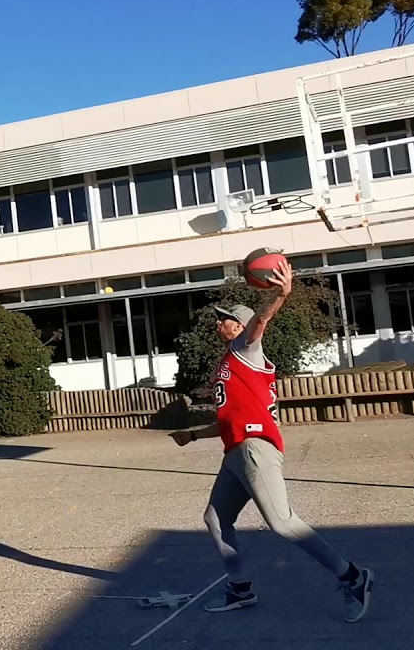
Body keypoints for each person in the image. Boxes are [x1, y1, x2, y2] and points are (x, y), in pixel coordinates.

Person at [169, 258, 374, 622]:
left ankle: (352, 576)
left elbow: (261, 321)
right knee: (216, 519)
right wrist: (193, 435)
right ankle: (240, 589)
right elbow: (229, 417)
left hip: (255, 448)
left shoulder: (248, 347)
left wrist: (280, 295)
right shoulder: (227, 362)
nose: (220, 323)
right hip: (236, 452)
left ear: (242, 324)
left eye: (226, 318)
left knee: (282, 522)